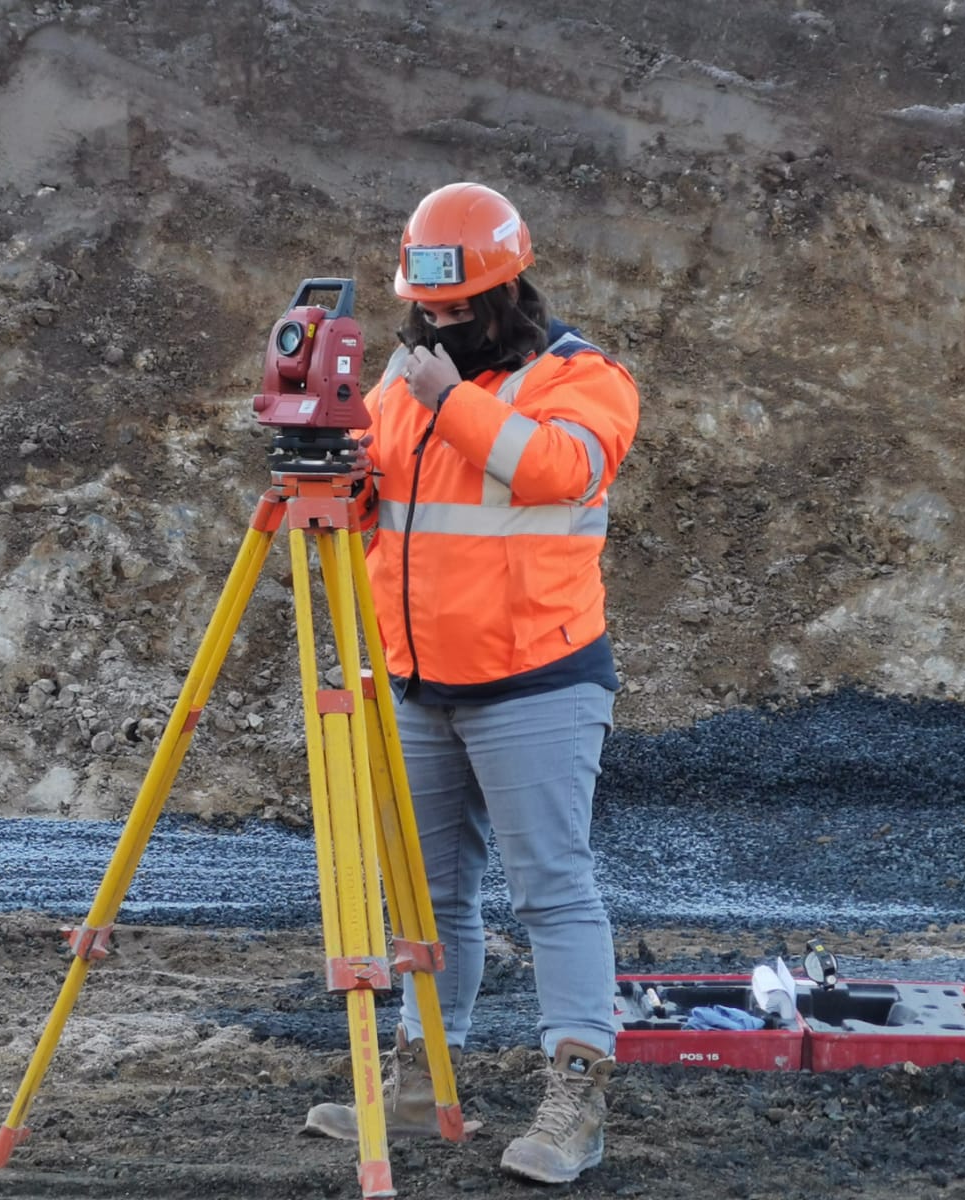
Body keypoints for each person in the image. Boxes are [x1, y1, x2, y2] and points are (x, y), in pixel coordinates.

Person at [303, 182, 640, 1184]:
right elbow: (375, 509)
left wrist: (450, 403)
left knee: (552, 891)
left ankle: (575, 1092)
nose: (439, 322)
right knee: (430, 895)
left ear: (507, 291)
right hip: (416, 683)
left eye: (458, 308)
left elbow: (553, 473)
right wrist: (333, 469)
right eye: (427, 309)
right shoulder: (402, 387)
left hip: (537, 682)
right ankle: (421, 1077)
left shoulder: (582, 380)